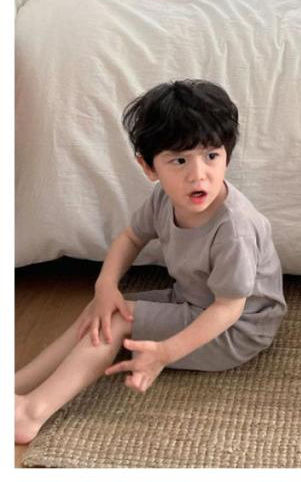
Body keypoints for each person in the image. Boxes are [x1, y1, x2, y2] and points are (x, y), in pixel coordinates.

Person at [15, 80, 287, 443]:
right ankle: (18, 385)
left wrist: (165, 353)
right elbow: (131, 237)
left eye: (211, 156)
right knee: (102, 309)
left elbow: (228, 309)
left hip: (235, 331)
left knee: (116, 320)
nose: (198, 174)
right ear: (148, 167)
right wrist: (105, 285)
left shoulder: (234, 229)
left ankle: (31, 413)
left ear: (227, 155)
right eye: (179, 160)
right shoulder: (163, 199)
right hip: (192, 301)